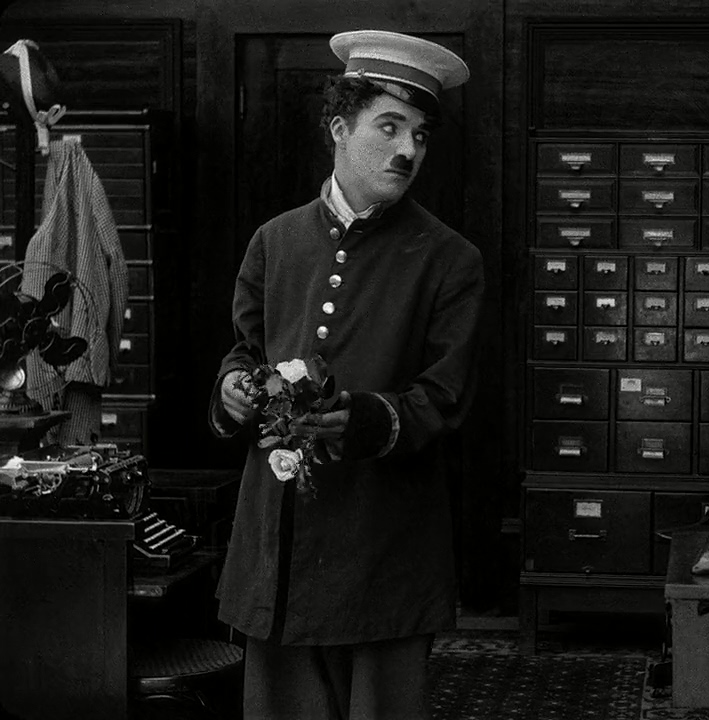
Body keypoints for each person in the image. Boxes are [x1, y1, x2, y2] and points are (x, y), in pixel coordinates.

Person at [208, 29, 485, 720]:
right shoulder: (274, 241)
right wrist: (232, 389)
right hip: (279, 540)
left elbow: (445, 398)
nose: (407, 149)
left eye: (419, 135)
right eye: (389, 127)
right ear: (339, 128)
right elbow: (244, 350)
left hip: (382, 543)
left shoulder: (450, 259)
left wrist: (363, 418)